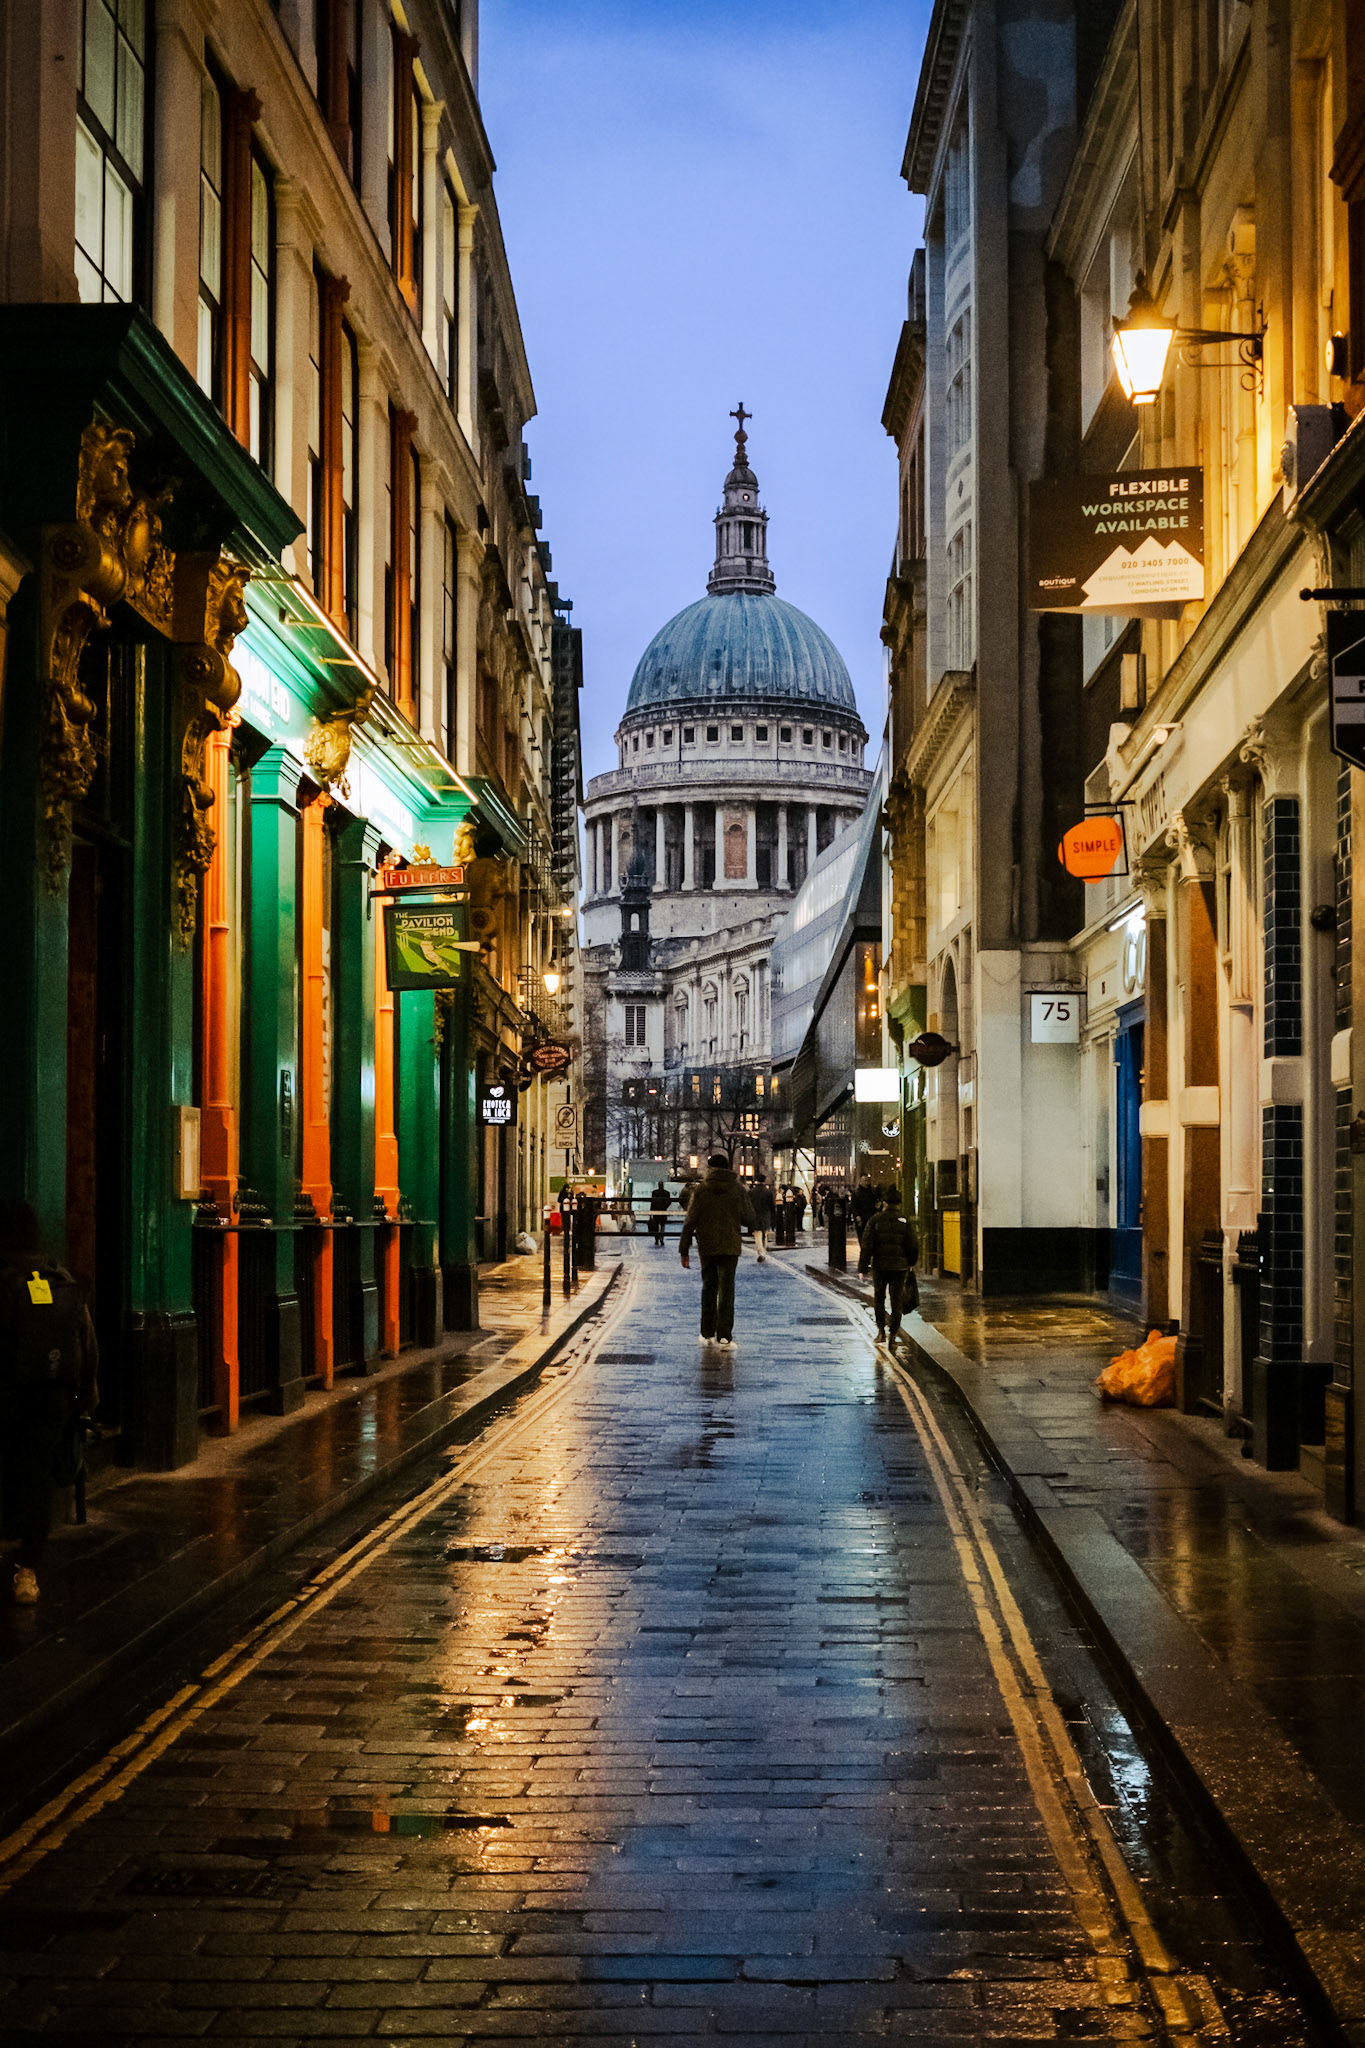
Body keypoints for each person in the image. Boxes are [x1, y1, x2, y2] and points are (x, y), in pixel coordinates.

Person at [0, 1200, 99, 1604]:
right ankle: (28, 1572)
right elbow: (86, 1345)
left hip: (7, 1394)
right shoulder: (58, 1276)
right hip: (53, 1396)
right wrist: (84, 1399)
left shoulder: (2, 1276)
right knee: (36, 1478)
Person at [678, 1152, 753, 1347]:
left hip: (707, 1245)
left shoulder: (701, 1189)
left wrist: (684, 1249)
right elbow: (749, 1218)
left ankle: (707, 1332)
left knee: (708, 1288)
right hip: (730, 1245)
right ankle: (725, 1335)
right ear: (728, 1167)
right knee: (727, 1290)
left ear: (710, 1168)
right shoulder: (738, 1189)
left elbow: (690, 1220)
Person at [857, 1190, 919, 1348]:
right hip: (899, 1267)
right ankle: (893, 1334)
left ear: (884, 1203)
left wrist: (862, 1267)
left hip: (880, 1266)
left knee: (879, 1298)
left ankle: (881, 1332)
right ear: (899, 1203)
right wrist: (911, 1262)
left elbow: (867, 1245)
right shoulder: (904, 1221)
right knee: (896, 1300)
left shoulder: (876, 1220)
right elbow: (912, 1244)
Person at [748, 1173, 774, 1261]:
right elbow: (772, 1206)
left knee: (757, 1234)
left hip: (755, 1215)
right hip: (766, 1215)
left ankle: (761, 1251)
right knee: (765, 1234)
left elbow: (749, 1205)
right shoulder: (768, 1192)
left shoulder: (751, 1192)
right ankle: (764, 1250)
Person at [648, 1181, 672, 1248]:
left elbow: (652, 1202)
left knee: (656, 1225)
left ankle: (656, 1239)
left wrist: (651, 1212)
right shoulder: (666, 1193)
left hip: (656, 1210)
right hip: (663, 1210)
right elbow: (670, 1201)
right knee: (662, 1225)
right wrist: (665, 1206)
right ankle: (661, 1238)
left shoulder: (654, 1193)